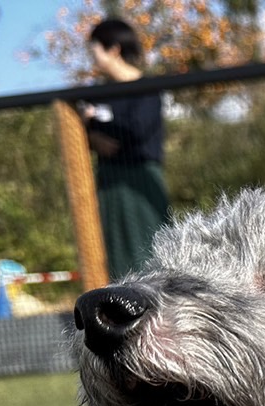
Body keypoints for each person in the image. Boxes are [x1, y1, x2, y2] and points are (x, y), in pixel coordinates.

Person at [80, 19, 168, 280]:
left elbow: (137, 131)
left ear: (113, 49)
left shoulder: (147, 88)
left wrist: (96, 125)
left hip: (142, 180)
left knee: (153, 249)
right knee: (112, 252)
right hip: (109, 182)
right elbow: (82, 134)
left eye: (95, 49)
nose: (92, 57)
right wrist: (94, 137)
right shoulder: (95, 94)